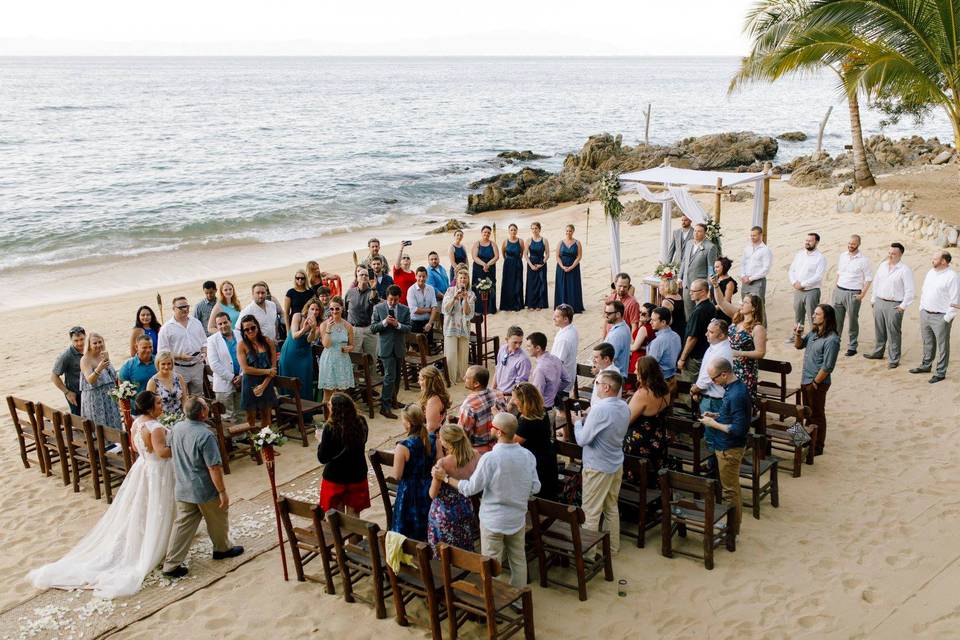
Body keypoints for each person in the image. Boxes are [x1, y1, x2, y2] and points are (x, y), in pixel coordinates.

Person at [28, 390, 177, 598]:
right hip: (158, 471)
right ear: (149, 408)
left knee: (143, 507)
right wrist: (179, 444)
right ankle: (158, 544)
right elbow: (161, 452)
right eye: (159, 403)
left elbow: (135, 447)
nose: (162, 406)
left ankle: (154, 538)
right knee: (158, 506)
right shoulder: (156, 427)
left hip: (143, 468)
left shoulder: (137, 423)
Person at [438, 412, 539, 588]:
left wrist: (446, 479)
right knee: (518, 560)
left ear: (498, 432)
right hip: (517, 517)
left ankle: (495, 598)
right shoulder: (527, 456)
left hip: (493, 520)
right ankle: (517, 596)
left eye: (493, 426)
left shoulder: (490, 458)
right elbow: (535, 487)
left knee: (491, 563)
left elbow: (470, 489)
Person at [161, 396, 243, 578]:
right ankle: (222, 549)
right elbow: (214, 467)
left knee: (182, 525)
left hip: (182, 485)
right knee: (218, 518)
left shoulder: (176, 428)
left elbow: (169, 450)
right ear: (203, 412)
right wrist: (222, 491)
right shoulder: (206, 435)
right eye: (206, 406)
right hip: (203, 488)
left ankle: (171, 564)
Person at [574, 370, 630, 553]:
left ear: (606, 387)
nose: (595, 386)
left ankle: (588, 555)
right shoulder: (624, 406)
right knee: (611, 507)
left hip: (597, 466)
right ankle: (613, 548)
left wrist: (577, 423)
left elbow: (582, 440)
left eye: (597, 383)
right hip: (615, 463)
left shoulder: (600, 409)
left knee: (590, 511)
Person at [699, 358, 751, 536]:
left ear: (724, 374)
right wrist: (716, 415)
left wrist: (712, 423)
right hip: (725, 445)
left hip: (730, 448)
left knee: (730, 491)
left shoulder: (737, 394)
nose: (714, 383)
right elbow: (730, 415)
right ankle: (732, 527)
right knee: (731, 488)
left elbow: (738, 429)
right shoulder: (734, 389)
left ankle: (733, 530)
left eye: (714, 379)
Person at [793, 304, 840, 455]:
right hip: (805, 379)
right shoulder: (814, 333)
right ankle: (804, 441)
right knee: (806, 412)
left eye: (817, 314)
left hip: (817, 383)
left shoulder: (832, 340)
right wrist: (798, 334)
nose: (813, 316)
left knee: (817, 414)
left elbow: (828, 366)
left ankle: (818, 446)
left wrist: (815, 383)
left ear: (826, 318)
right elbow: (799, 346)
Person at [428, 424, 480, 556]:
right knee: (464, 548)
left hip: (445, 512)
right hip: (465, 506)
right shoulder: (475, 455)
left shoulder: (443, 464)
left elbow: (432, 494)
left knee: (445, 555)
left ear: (447, 443)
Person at [316, 393, 370, 516]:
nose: (328, 405)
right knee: (354, 517)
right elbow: (364, 440)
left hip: (335, 477)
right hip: (357, 473)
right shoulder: (361, 421)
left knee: (336, 518)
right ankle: (355, 535)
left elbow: (323, 457)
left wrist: (320, 441)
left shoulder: (330, 428)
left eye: (330, 404)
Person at [910, 250, 959, 383]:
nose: (932, 260)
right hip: (925, 313)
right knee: (928, 342)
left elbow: (956, 301)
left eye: (935, 258)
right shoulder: (931, 272)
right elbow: (924, 291)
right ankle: (926, 365)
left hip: (941, 317)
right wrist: (921, 308)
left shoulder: (952, 276)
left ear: (943, 261)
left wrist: (946, 319)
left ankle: (940, 372)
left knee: (943, 346)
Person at [865, 243, 915, 369]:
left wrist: (902, 306)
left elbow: (910, 291)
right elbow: (876, 283)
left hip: (895, 305)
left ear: (900, 255)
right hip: (879, 302)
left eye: (893, 253)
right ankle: (878, 352)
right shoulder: (882, 265)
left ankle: (894, 358)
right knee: (879, 329)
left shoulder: (905, 270)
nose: (890, 255)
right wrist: (873, 299)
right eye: (889, 253)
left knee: (893, 332)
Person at [624, 356, 672, 486]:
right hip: (658, 438)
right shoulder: (666, 388)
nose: (634, 372)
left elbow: (626, 420)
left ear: (644, 373)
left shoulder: (643, 394)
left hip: (640, 443)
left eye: (636, 370)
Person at [391, 404, 434, 541]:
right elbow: (439, 463)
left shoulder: (403, 446)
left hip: (409, 491)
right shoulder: (433, 439)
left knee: (407, 531)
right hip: (429, 487)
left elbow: (397, 475)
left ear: (409, 424)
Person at [715, 293, 767, 399]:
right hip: (729, 368)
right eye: (742, 302)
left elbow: (760, 353)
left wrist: (739, 353)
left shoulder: (757, 328)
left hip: (745, 371)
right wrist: (715, 286)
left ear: (754, 308)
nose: (742, 304)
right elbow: (721, 303)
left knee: (739, 401)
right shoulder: (737, 320)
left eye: (746, 302)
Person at [512, 382, 558, 501]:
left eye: (515, 398)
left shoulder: (527, 421)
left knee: (539, 494)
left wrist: (498, 419)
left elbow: (511, 442)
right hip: (547, 455)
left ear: (523, 401)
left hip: (536, 462)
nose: (512, 401)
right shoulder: (541, 412)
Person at [371, 285, 411, 418]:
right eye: (390, 299)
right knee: (389, 376)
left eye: (396, 300)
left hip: (399, 347)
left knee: (397, 376)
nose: (393, 302)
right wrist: (384, 323)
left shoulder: (405, 309)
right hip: (385, 348)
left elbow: (408, 328)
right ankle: (385, 406)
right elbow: (372, 328)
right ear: (386, 297)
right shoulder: (378, 308)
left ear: (399, 298)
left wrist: (397, 325)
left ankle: (394, 400)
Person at [689, 319, 734, 433]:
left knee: (712, 435)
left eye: (711, 332)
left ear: (722, 335)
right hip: (710, 398)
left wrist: (695, 389)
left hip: (714, 401)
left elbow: (707, 378)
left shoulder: (721, 351)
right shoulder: (715, 345)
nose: (706, 334)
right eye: (707, 331)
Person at [832, 234, 874, 356]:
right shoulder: (842, 256)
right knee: (836, 320)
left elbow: (868, 278)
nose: (851, 246)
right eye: (849, 243)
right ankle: (835, 342)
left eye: (853, 244)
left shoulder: (863, 260)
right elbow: (839, 273)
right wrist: (835, 288)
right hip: (839, 290)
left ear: (858, 244)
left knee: (852, 320)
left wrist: (862, 294)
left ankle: (852, 346)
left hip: (853, 293)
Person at [157, 297, 208, 396]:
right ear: (174, 309)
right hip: (179, 368)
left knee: (197, 396)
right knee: (180, 396)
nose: (185, 309)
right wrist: (180, 356)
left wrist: (204, 352)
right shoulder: (166, 328)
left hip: (197, 366)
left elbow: (204, 342)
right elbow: (162, 353)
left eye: (187, 306)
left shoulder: (196, 322)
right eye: (181, 307)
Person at [237, 315, 277, 430]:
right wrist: (266, 371)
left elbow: (273, 369)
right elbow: (245, 369)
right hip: (249, 383)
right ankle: (253, 446)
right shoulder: (242, 345)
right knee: (251, 418)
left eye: (252, 327)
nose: (250, 331)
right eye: (246, 329)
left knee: (267, 415)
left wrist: (264, 385)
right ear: (243, 331)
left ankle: (267, 446)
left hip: (266, 382)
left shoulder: (268, 342)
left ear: (257, 327)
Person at [279, 298, 322, 399]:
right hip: (290, 350)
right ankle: (288, 407)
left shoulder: (320, 324)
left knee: (304, 379)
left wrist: (313, 329)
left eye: (317, 310)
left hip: (305, 353)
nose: (314, 312)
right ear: (308, 309)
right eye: (312, 309)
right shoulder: (298, 316)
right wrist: (305, 329)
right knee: (288, 377)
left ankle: (304, 409)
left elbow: (310, 340)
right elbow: (294, 335)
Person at [458, 365, 508, 453]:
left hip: (478, 450)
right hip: (499, 444)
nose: (463, 378)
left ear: (476, 384)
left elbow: (462, 434)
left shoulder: (469, 405)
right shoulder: (499, 395)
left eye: (467, 378)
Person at [78, 333, 123, 429]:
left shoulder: (103, 355)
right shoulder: (85, 359)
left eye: (100, 342)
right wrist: (99, 368)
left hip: (110, 397)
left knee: (114, 425)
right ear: (89, 345)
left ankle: (117, 443)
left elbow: (112, 375)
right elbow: (90, 380)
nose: (98, 345)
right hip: (95, 399)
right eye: (95, 343)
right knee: (100, 428)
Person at [788, 232, 827, 339]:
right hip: (798, 290)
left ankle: (814, 336)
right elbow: (791, 270)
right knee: (798, 315)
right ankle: (797, 336)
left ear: (817, 242)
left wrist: (803, 284)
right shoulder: (799, 254)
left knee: (812, 316)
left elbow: (818, 276)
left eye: (810, 241)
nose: (807, 242)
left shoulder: (820, 258)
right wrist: (794, 282)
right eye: (806, 240)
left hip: (812, 291)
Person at [317, 296, 355, 402]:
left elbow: (352, 345)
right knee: (328, 393)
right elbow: (326, 345)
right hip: (329, 359)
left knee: (341, 393)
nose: (334, 311)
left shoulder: (348, 326)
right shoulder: (324, 325)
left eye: (337, 308)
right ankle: (327, 418)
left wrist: (349, 348)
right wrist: (328, 329)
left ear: (342, 308)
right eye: (332, 309)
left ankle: (340, 417)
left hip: (342, 360)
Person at [441, 269, 476, 383]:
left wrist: (465, 299)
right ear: (457, 279)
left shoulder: (471, 294)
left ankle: (462, 377)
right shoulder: (450, 291)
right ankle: (451, 378)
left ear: (468, 280)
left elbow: (468, 313)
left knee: (463, 353)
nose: (463, 280)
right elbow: (445, 309)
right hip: (451, 326)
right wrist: (455, 298)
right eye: (460, 278)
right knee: (451, 354)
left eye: (465, 278)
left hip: (464, 327)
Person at [207, 311, 242, 422]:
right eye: (220, 324)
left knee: (241, 412)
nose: (223, 326)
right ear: (216, 326)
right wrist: (232, 378)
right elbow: (214, 364)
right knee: (228, 416)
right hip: (223, 384)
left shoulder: (240, 335)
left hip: (241, 381)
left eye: (225, 322)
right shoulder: (212, 340)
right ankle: (233, 439)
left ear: (230, 322)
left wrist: (241, 376)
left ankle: (243, 437)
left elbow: (248, 356)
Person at [524, 332, 570, 416]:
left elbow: (537, 394)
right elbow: (567, 380)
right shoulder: (555, 359)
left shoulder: (539, 369)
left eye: (529, 346)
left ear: (537, 348)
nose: (527, 348)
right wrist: (553, 390)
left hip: (541, 411)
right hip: (551, 407)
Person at [678, 279, 716, 381]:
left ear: (703, 291)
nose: (690, 293)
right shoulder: (710, 306)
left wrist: (682, 358)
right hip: (705, 353)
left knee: (689, 386)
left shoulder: (699, 312)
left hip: (695, 357)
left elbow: (692, 338)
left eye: (693, 291)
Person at [679, 223, 718, 319]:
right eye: (695, 231)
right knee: (688, 312)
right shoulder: (689, 243)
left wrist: (708, 286)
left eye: (699, 231)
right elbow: (684, 261)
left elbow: (711, 268)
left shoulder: (710, 247)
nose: (696, 233)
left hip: (700, 287)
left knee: (700, 312)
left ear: (705, 233)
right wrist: (680, 277)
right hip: (686, 284)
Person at [345, 264, 381, 365]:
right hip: (354, 330)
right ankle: (355, 380)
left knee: (372, 358)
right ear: (357, 277)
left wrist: (373, 288)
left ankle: (372, 379)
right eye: (361, 275)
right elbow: (345, 309)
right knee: (354, 359)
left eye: (366, 275)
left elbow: (374, 300)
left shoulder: (372, 292)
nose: (364, 277)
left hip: (369, 329)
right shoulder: (350, 292)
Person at [647, 307, 682, 392]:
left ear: (663, 322)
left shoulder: (658, 341)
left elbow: (650, 365)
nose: (650, 322)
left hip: (659, 382)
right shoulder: (676, 336)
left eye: (654, 320)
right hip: (672, 379)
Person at [118, 335, 158, 410]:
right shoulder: (128, 367)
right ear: (136, 347)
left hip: (157, 408)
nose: (148, 350)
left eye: (150, 347)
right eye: (144, 347)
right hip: (138, 410)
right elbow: (121, 392)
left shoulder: (158, 362)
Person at [52, 326, 86, 414]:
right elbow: (54, 376)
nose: (79, 343)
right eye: (76, 340)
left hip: (89, 392)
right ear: (71, 340)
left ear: (85, 336)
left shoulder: (89, 350)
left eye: (81, 339)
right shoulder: (66, 356)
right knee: (80, 422)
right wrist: (67, 392)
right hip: (75, 395)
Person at [554, 223, 584, 313]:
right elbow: (557, 256)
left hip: (573, 267)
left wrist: (571, 267)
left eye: (570, 231)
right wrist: (562, 266)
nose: (568, 232)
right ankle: (562, 306)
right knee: (562, 286)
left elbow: (579, 256)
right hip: (561, 268)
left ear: (573, 231)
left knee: (573, 286)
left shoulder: (577, 243)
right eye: (567, 231)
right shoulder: (560, 242)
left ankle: (574, 306)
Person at [493, 325, 531, 397]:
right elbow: (497, 370)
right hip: (498, 392)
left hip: (510, 396)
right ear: (507, 340)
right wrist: (493, 389)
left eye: (520, 343)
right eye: (515, 342)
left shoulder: (523, 360)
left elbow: (519, 386)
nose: (518, 346)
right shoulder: (502, 349)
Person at [551, 303, 579, 395]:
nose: (553, 318)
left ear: (566, 319)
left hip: (561, 382)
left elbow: (558, 363)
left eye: (557, 316)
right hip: (568, 376)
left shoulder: (564, 339)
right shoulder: (572, 328)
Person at [472, 225, 500, 314]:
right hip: (478, 268)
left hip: (490, 268)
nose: (486, 234)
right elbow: (474, 257)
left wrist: (488, 264)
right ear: (481, 233)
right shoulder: (477, 243)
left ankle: (490, 309)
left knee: (490, 286)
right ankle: (479, 309)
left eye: (488, 232)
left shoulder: (493, 244)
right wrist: (483, 264)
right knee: (479, 286)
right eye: (485, 232)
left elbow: (496, 256)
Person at [740, 226, 773, 303]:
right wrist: (743, 275)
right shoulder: (747, 248)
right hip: (745, 281)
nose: (752, 237)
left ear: (760, 235)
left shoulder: (765, 250)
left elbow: (766, 269)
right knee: (744, 305)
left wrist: (751, 278)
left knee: (758, 306)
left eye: (754, 235)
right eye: (751, 235)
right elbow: (742, 263)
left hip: (758, 282)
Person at [604, 273, 640, 337]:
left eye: (625, 286)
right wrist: (604, 337)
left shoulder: (633, 304)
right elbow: (606, 320)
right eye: (620, 286)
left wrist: (631, 343)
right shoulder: (609, 299)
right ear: (615, 285)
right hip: (609, 337)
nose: (622, 289)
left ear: (629, 286)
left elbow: (634, 326)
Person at [407, 266, 439, 337]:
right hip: (415, 323)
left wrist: (430, 324)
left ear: (427, 277)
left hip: (428, 322)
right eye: (419, 276)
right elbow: (414, 310)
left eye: (423, 276)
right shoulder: (411, 290)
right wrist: (429, 309)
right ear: (415, 276)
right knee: (415, 347)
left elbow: (434, 307)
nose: (421, 279)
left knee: (429, 346)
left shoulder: (431, 289)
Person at [500, 223, 525, 311]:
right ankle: (507, 305)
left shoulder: (521, 241)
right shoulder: (505, 241)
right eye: (511, 230)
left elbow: (522, 253)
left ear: (517, 231)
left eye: (515, 229)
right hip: (507, 264)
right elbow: (503, 253)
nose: (513, 231)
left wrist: (517, 260)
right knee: (508, 284)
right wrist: (508, 260)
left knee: (518, 283)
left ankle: (517, 304)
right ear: (509, 231)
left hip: (518, 263)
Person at [524, 221, 549, 309]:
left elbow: (547, 254)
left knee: (541, 283)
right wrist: (530, 265)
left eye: (536, 228)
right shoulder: (528, 240)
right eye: (533, 228)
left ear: (539, 229)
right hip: (531, 263)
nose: (534, 230)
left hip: (541, 264)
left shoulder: (544, 240)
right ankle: (531, 304)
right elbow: (526, 254)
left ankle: (540, 304)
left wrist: (541, 264)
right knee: (531, 284)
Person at [418, 365, 450, 433]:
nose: (418, 382)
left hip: (432, 439)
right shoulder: (437, 394)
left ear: (429, 382)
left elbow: (431, 428)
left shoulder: (433, 401)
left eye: (421, 379)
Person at [604, 300, 632, 377]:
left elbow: (610, 358)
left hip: (612, 377)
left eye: (609, 313)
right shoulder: (624, 326)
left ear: (618, 314)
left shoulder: (617, 334)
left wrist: (597, 369)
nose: (606, 315)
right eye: (605, 312)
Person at [628, 303, 656, 379]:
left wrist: (624, 346)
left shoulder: (644, 328)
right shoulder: (653, 327)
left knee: (634, 379)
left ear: (650, 316)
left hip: (638, 356)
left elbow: (634, 347)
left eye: (643, 314)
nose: (640, 315)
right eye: (639, 312)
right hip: (646, 356)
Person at [710, 257, 738, 323]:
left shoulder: (730, 283)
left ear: (724, 267)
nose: (715, 269)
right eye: (714, 267)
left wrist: (711, 309)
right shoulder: (716, 279)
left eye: (717, 267)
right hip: (713, 312)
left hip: (723, 314)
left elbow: (726, 302)